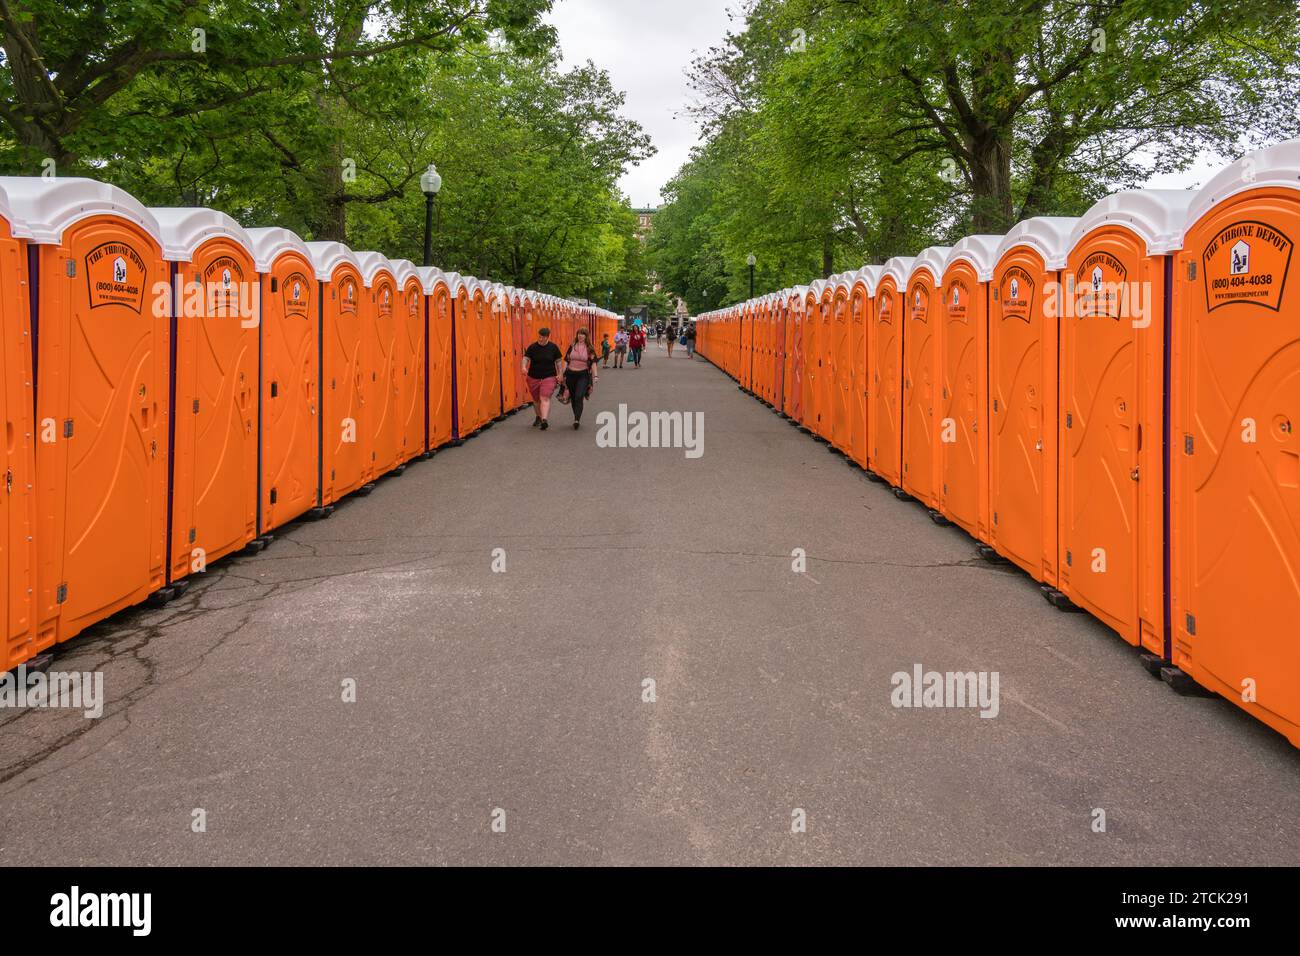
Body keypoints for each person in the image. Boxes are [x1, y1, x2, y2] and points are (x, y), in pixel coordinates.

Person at [522, 326, 563, 430]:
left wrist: (560, 374)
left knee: (544, 398)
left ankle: (544, 420)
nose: (540, 339)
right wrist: (523, 367)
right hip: (533, 377)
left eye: (543, 337)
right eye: (539, 337)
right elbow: (526, 358)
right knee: (536, 400)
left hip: (549, 376)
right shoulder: (532, 347)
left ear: (547, 337)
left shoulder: (553, 347)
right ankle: (538, 417)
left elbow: (558, 362)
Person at [562, 328, 599, 429]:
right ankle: (576, 417)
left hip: (583, 375)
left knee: (579, 396)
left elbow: (593, 363)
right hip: (570, 374)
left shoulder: (589, 348)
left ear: (586, 336)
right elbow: (566, 360)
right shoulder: (572, 346)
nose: (580, 336)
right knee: (574, 397)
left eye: (583, 334)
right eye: (579, 334)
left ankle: (577, 420)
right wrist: (561, 373)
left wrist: (595, 375)